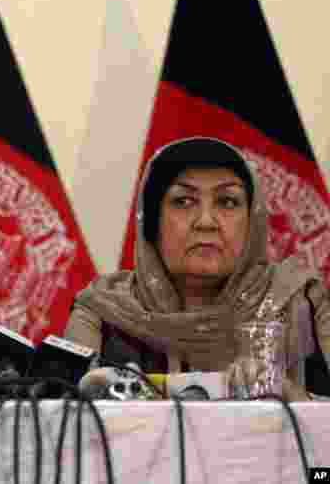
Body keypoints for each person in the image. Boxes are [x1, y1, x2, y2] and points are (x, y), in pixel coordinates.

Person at [64, 137, 330, 399]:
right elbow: (67, 423)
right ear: (152, 221)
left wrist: (290, 396)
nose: (205, 222)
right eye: (183, 202)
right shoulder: (103, 311)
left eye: (227, 202)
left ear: (253, 221)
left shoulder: (304, 302)